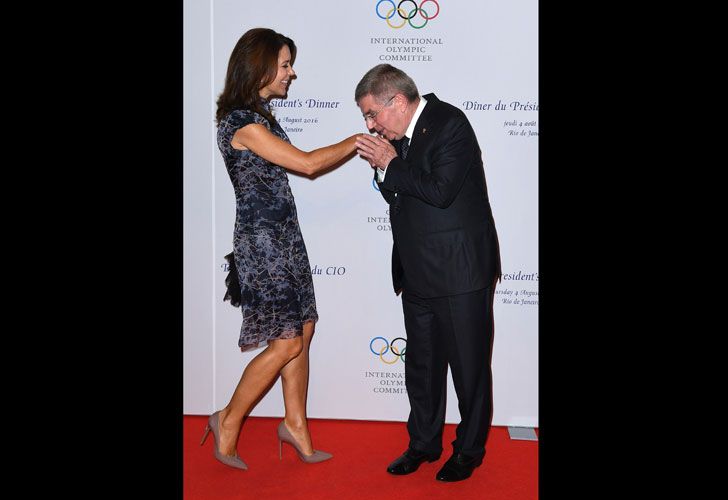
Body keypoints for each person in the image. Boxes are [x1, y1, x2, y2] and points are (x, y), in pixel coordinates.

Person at [201, 27, 362, 470]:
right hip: (261, 244)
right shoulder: (241, 123)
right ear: (260, 66)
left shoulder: (263, 117)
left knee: (303, 330)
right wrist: (359, 139)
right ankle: (227, 420)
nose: (292, 73)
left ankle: (295, 425)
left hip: (286, 239)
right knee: (286, 341)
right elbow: (308, 165)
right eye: (286, 64)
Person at [354, 64, 501, 482]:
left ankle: (469, 451)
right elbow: (396, 193)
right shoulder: (396, 138)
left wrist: (390, 162)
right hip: (416, 270)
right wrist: (386, 165)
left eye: (371, 114)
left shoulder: (449, 123)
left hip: (460, 271)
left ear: (396, 101)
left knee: (468, 370)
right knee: (421, 367)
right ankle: (422, 444)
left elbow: (440, 191)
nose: (369, 124)